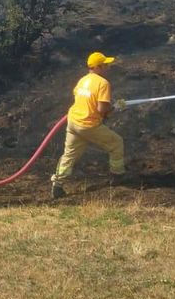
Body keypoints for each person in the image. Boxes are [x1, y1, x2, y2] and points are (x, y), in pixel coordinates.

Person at [50, 51, 126, 198]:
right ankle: (118, 175)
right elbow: (102, 109)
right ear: (98, 67)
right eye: (105, 65)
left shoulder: (83, 80)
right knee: (116, 143)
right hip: (88, 125)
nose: (108, 68)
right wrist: (115, 107)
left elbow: (82, 98)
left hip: (73, 122)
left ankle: (57, 185)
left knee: (69, 155)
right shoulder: (103, 83)